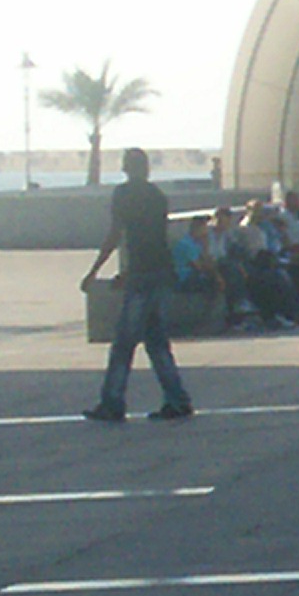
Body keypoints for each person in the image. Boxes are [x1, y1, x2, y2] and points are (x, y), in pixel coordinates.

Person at [80, 147, 195, 423]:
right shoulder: (157, 196)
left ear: (126, 168)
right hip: (161, 271)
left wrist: (95, 270)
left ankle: (113, 402)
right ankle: (177, 399)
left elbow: (117, 234)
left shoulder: (123, 194)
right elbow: (154, 237)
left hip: (142, 275)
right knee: (156, 341)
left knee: (124, 343)